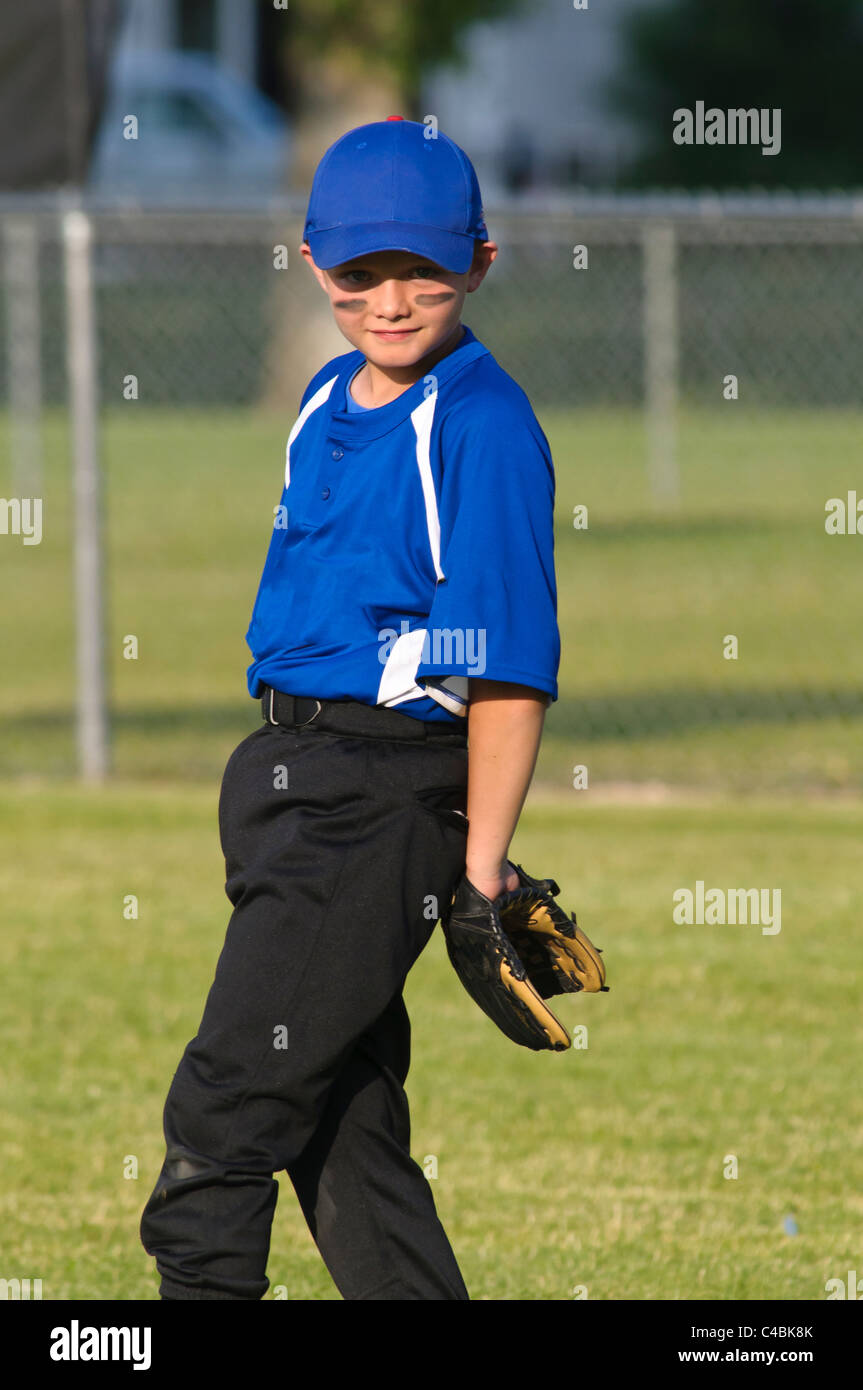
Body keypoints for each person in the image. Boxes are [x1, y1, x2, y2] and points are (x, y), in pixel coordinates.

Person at [140, 117, 560, 1301]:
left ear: (478, 261)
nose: (388, 297)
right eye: (359, 269)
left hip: (370, 801)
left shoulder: (478, 424)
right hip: (284, 780)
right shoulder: (325, 394)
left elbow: (503, 665)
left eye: (420, 267)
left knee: (224, 1112)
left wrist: (475, 868)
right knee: (339, 1128)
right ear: (314, 263)